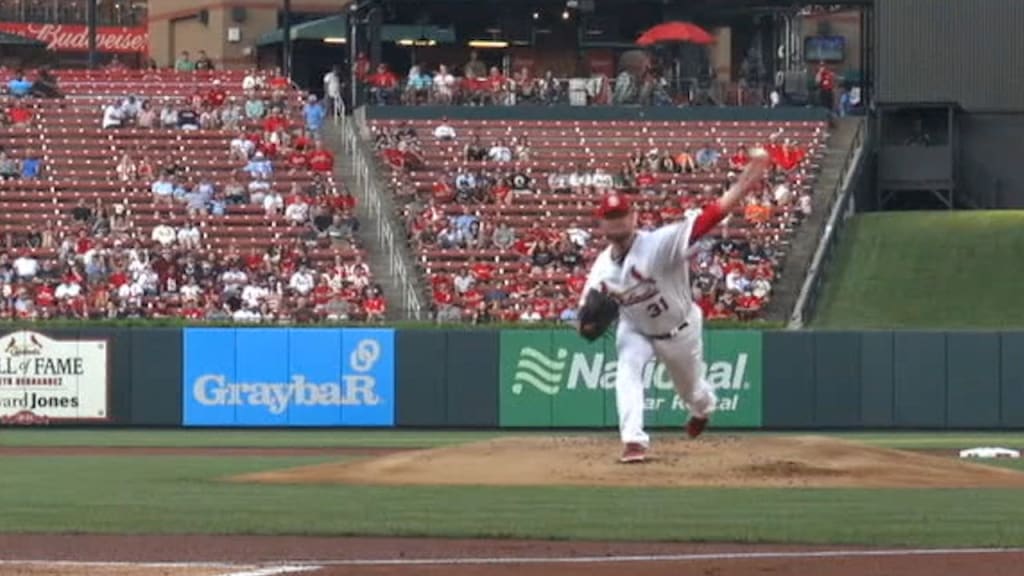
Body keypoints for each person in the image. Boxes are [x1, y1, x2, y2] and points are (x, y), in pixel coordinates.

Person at [578, 152, 770, 463]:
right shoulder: (601, 269)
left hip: (679, 329)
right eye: (610, 217)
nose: (617, 221)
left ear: (634, 217)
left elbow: (711, 216)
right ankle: (634, 442)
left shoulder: (658, 244)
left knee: (691, 391)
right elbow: (584, 315)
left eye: (622, 215)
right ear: (601, 223)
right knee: (627, 369)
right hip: (636, 328)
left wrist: (744, 183)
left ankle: (703, 410)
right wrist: (584, 325)